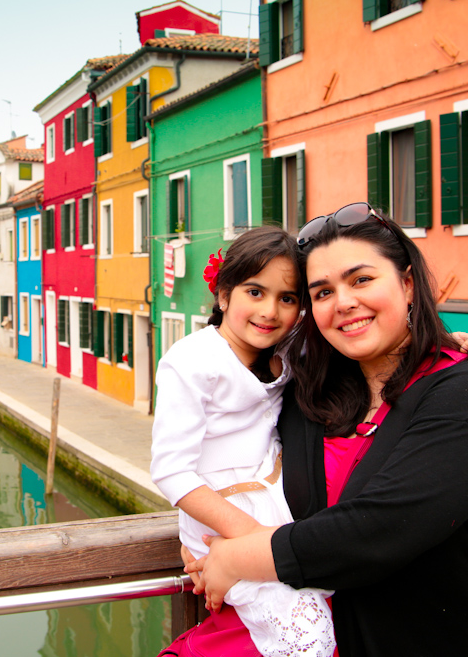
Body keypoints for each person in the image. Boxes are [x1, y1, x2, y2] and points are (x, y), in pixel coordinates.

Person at [186, 204, 468, 656]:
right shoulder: (308, 395)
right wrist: (199, 538)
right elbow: (228, 457)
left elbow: (382, 528)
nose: (344, 302)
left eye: (361, 280)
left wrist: (236, 557)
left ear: (407, 285)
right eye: (322, 292)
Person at [151, 226, 337, 657]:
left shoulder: (287, 350)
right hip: (224, 518)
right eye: (255, 292)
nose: (270, 311)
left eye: (287, 298)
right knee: (306, 633)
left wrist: (445, 345)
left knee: (329, 602)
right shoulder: (192, 361)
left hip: (276, 506)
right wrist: (255, 540)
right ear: (224, 295)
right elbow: (170, 470)